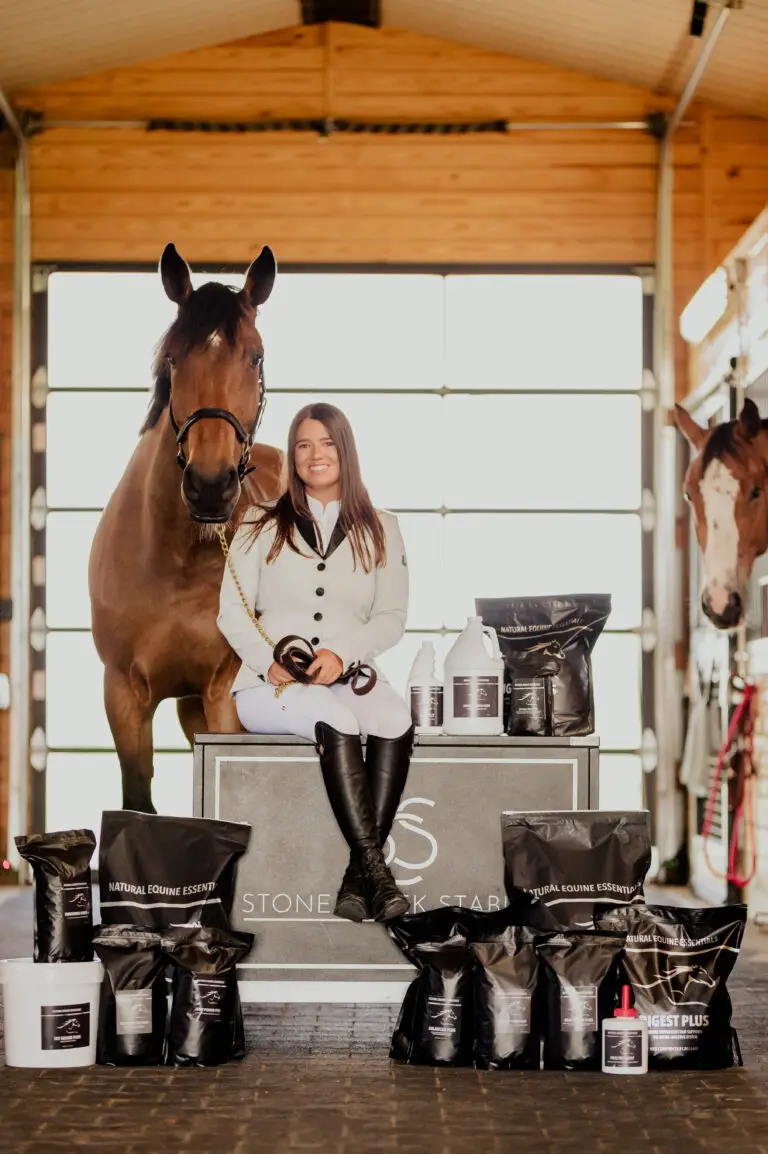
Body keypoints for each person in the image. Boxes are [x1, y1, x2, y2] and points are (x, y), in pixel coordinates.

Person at [217, 402, 414, 924]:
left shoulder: (384, 528)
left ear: (345, 452)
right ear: (293, 456)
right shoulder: (259, 523)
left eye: (327, 443)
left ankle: (358, 879)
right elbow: (230, 611)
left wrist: (342, 655)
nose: (314, 454)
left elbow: (392, 617)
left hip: (344, 676)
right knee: (338, 719)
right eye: (303, 445)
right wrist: (266, 661)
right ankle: (376, 870)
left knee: (396, 719)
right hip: (270, 687)